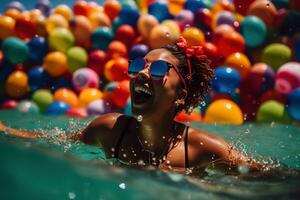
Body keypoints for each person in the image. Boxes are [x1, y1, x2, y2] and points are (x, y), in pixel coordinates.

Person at [0, 37, 260, 175]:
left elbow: (269, 179)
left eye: (158, 68)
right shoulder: (109, 130)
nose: (142, 74)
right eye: (138, 66)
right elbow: (52, 140)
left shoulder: (202, 150)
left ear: (180, 95)